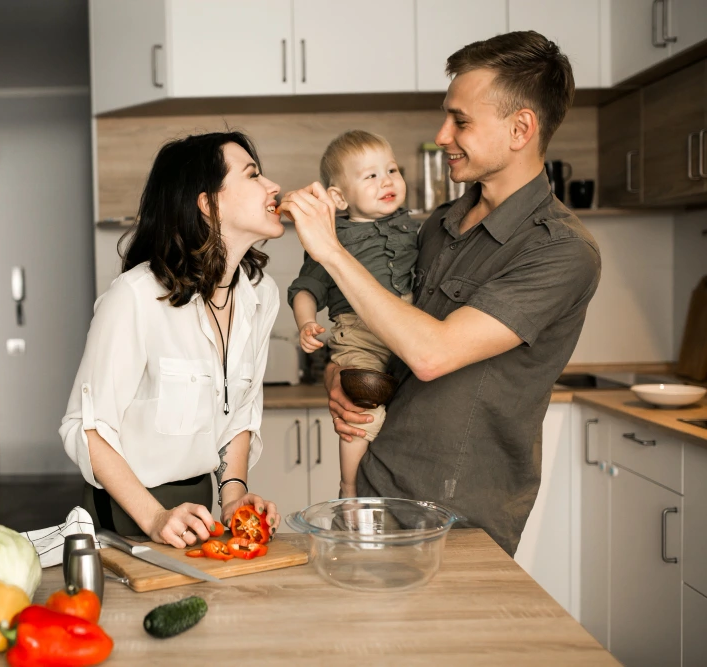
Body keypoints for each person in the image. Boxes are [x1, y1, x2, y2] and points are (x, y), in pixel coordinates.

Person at [279, 31, 602, 556]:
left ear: (521, 128)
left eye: (461, 120)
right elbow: (391, 335)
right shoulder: (438, 225)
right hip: (377, 482)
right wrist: (342, 375)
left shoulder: (561, 251)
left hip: (457, 519)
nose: (442, 134)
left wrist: (331, 250)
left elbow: (431, 354)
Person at [60, 131, 283, 548]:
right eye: (253, 175)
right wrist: (155, 517)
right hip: (125, 521)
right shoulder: (135, 297)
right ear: (208, 203)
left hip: (195, 519)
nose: (273, 187)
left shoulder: (260, 296)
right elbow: (87, 428)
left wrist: (233, 498)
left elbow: (238, 412)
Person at [287, 130, 418, 499]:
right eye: (371, 176)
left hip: (412, 329)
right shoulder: (332, 240)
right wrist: (307, 323)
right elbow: (305, 288)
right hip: (361, 335)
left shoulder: (413, 227)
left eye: (392, 170)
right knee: (362, 413)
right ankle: (350, 488)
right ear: (339, 197)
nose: (387, 181)